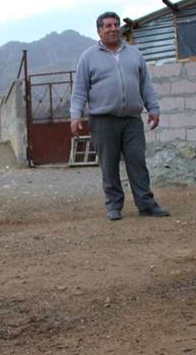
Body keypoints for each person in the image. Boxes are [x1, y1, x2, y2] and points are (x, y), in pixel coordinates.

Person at [70, 12, 170, 221]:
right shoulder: (88, 57)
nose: (113, 28)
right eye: (107, 26)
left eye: (116, 24)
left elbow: (145, 85)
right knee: (109, 164)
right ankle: (114, 206)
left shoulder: (134, 53)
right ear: (99, 31)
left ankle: (146, 204)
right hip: (103, 120)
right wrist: (75, 115)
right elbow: (80, 89)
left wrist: (154, 108)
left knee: (137, 162)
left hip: (132, 119)